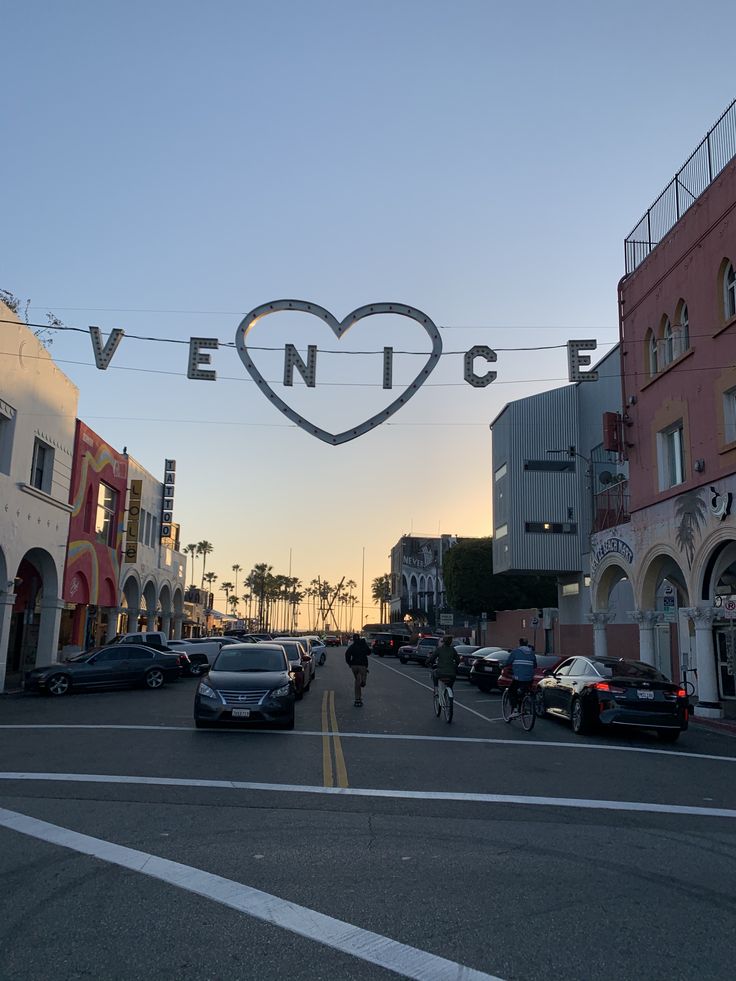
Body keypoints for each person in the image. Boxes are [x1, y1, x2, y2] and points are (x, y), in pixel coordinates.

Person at [506, 645, 537, 710]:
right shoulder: (532, 653)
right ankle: (523, 705)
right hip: (529, 679)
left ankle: (515, 709)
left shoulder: (516, 652)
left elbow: (508, 662)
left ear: (520, 643)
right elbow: (535, 665)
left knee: (511, 691)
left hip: (519, 678)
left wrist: (504, 665)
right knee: (524, 691)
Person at [345, 633, 370, 707]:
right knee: (362, 679)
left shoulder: (352, 647)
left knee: (357, 681)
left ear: (353, 639)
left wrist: (349, 663)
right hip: (363, 665)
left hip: (354, 665)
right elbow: (369, 652)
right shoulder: (363, 645)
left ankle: (357, 699)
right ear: (359, 638)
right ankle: (363, 682)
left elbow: (347, 655)